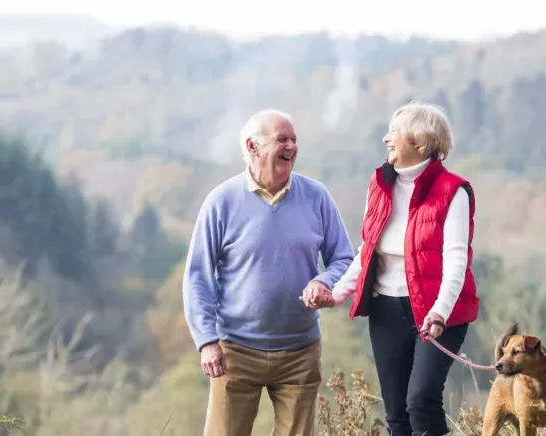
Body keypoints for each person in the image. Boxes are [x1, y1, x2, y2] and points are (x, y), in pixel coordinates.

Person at [302, 101, 479, 436]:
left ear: (420, 139)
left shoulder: (453, 191)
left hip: (438, 311)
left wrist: (439, 312)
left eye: (394, 130)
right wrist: (337, 293)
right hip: (387, 308)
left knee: (422, 400)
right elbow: (368, 251)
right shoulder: (380, 184)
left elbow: (457, 259)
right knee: (397, 413)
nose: (386, 138)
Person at [183, 108, 355, 436]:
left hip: (300, 351)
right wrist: (206, 341)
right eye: (281, 139)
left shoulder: (317, 197)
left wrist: (324, 281)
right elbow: (198, 277)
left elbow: (344, 259)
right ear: (252, 147)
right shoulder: (221, 202)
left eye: (294, 139)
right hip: (234, 351)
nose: (291, 146)